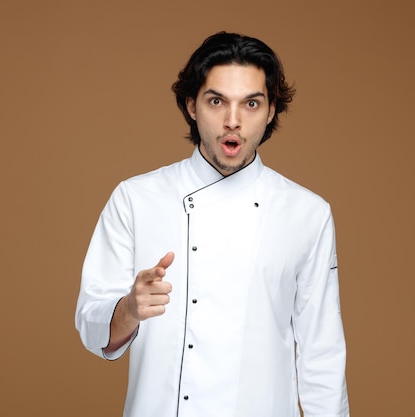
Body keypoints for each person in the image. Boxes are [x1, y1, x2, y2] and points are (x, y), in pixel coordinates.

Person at [75, 31, 350, 417]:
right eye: (216, 101)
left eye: (251, 103)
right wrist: (129, 310)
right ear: (191, 105)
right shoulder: (136, 199)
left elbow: (321, 354)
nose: (233, 121)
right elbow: (91, 326)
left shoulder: (307, 214)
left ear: (271, 111)